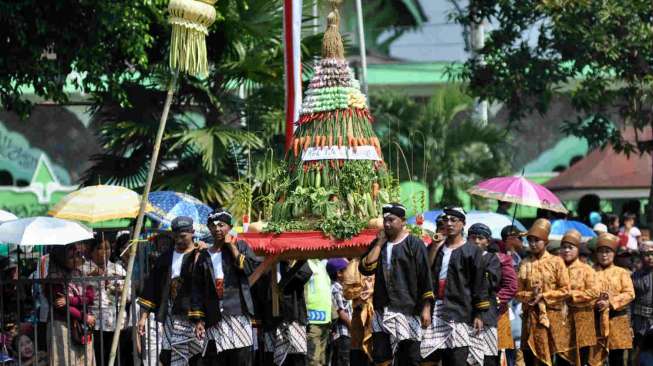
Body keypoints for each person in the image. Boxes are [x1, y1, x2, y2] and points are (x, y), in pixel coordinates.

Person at [359, 203, 434, 366]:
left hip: (408, 309)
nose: (387, 224)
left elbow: (425, 278)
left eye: (391, 220)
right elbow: (366, 268)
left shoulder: (415, 244)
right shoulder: (379, 244)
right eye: (385, 220)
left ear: (403, 221)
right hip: (382, 308)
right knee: (381, 356)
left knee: (410, 356)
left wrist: (426, 308)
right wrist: (379, 243)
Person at [191, 209, 259, 366]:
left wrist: (232, 247)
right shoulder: (204, 255)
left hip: (238, 314)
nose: (217, 229)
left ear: (230, 227)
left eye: (221, 225)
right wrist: (199, 320)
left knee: (241, 359)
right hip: (214, 318)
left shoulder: (241, 246)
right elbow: (197, 289)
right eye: (213, 226)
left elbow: (250, 269)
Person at [421, 207, 489, 366]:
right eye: (446, 220)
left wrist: (479, 314)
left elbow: (479, 284)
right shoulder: (435, 248)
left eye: (454, 220)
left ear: (463, 224)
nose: (449, 224)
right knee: (427, 358)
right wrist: (425, 307)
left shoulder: (472, 251)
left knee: (457, 358)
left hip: (461, 311)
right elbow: (425, 276)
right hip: (436, 310)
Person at [136, 216, 202, 366]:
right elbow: (151, 289)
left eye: (183, 236)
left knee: (196, 356)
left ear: (193, 232)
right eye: (176, 236)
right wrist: (142, 318)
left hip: (194, 317)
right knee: (168, 356)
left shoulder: (201, 256)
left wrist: (200, 319)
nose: (179, 240)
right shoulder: (164, 259)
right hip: (171, 316)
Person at [516, 218, 570, 366]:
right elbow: (517, 291)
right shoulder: (525, 263)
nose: (533, 244)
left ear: (545, 242)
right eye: (530, 240)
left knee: (552, 357)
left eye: (537, 240)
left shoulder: (556, 262)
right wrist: (531, 296)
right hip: (530, 317)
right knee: (529, 357)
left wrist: (544, 296)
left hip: (552, 316)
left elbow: (565, 289)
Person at [469, 223, 515, 366]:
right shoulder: (464, 256)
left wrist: (495, 300)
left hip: (496, 312)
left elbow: (511, 286)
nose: (476, 241)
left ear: (488, 242)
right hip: (470, 312)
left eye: (480, 238)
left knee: (494, 353)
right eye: (473, 237)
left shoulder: (501, 259)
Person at [588, 233, 635, 366]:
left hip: (617, 320)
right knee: (595, 358)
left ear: (614, 253)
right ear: (596, 254)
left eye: (607, 252)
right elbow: (584, 293)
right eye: (601, 252)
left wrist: (610, 302)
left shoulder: (622, 272)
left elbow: (630, 293)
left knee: (617, 358)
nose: (604, 255)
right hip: (595, 321)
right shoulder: (589, 272)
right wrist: (595, 302)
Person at [45, 244, 96, 366]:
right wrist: (84, 317)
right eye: (71, 257)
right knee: (66, 360)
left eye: (77, 256)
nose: (76, 260)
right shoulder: (54, 278)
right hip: (62, 325)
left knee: (84, 360)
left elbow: (90, 297)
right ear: (61, 259)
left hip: (82, 324)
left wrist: (70, 300)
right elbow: (61, 306)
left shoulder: (80, 274)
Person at [557, 229, 599, 366]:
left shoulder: (587, 270)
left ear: (578, 250)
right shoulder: (555, 269)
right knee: (562, 358)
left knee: (582, 358)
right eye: (564, 247)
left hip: (583, 320)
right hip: (561, 320)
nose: (567, 250)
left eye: (571, 247)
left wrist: (572, 295)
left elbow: (594, 292)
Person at [261, 260, 313, 366]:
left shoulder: (296, 258)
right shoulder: (268, 260)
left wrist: (289, 264)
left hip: (294, 319)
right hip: (272, 321)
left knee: (297, 358)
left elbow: (305, 274)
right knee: (273, 359)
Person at [87, 239, 129, 366]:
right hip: (95, 322)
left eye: (108, 248)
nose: (105, 252)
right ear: (92, 251)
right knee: (98, 358)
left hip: (117, 321)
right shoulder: (84, 269)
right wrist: (90, 277)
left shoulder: (118, 268)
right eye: (100, 248)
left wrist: (120, 291)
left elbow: (129, 294)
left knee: (116, 358)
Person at [341, 259, 374, 366]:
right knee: (358, 352)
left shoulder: (384, 258)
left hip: (378, 315)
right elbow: (347, 292)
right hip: (359, 318)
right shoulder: (354, 264)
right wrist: (362, 291)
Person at [304, 259, 331, 366]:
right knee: (313, 360)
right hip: (312, 318)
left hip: (325, 318)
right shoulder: (305, 262)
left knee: (322, 360)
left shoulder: (320, 263)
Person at [326, 258, 351, 366]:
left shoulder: (343, 287)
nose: (350, 273)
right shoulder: (336, 289)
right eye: (347, 270)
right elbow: (341, 313)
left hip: (347, 333)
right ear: (339, 273)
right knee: (343, 361)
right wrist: (353, 328)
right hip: (343, 334)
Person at [631, 241, 653, 365]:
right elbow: (630, 302)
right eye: (647, 254)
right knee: (639, 357)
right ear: (641, 257)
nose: (650, 257)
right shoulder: (635, 277)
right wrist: (629, 324)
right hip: (640, 324)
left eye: (652, 254)